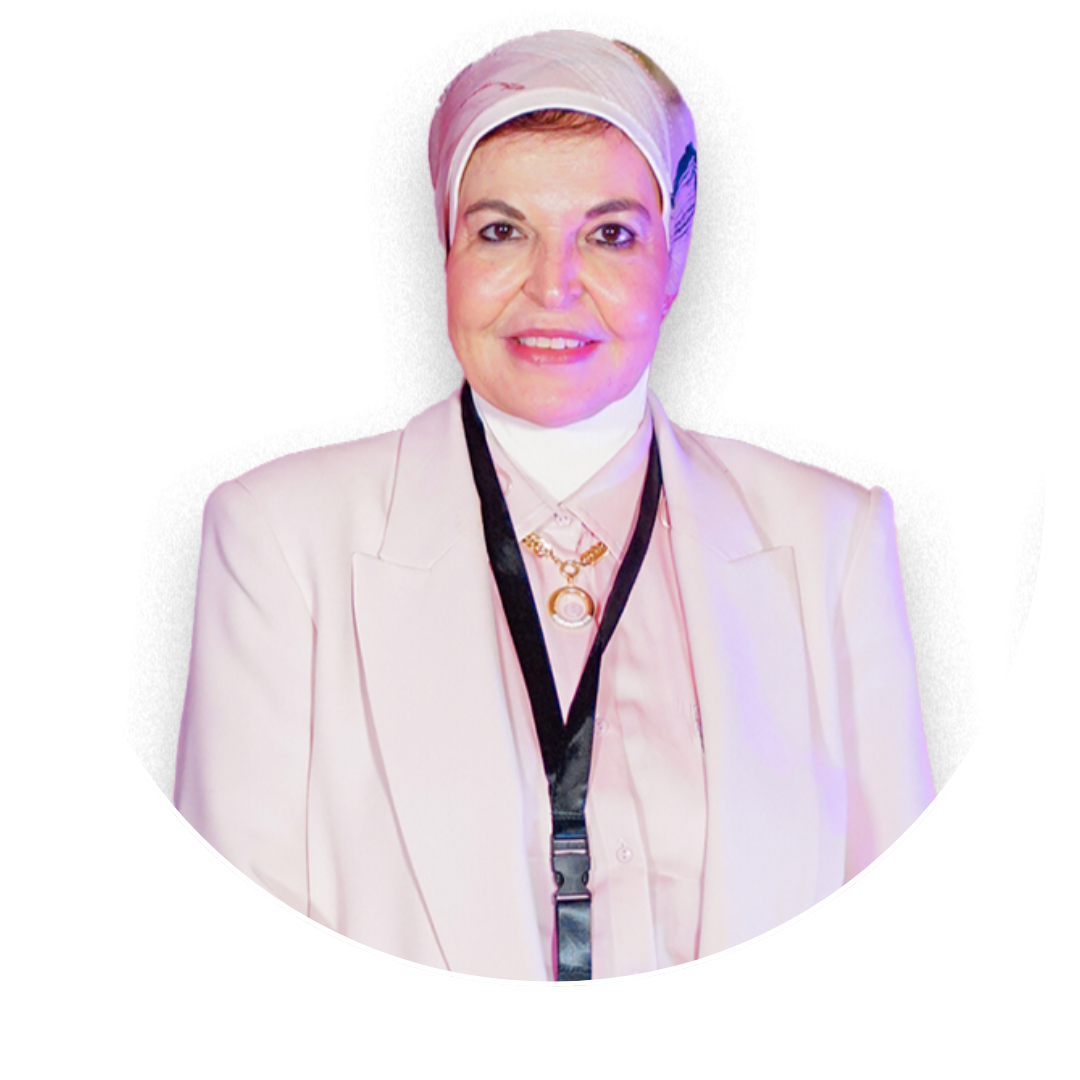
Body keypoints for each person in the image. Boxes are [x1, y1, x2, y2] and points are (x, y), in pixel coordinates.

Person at [174, 29, 935, 981]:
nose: (553, 285)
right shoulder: (281, 541)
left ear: (674, 258)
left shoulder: (831, 542)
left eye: (610, 234)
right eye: (502, 230)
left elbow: (902, 952)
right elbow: (235, 967)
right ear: (445, 247)